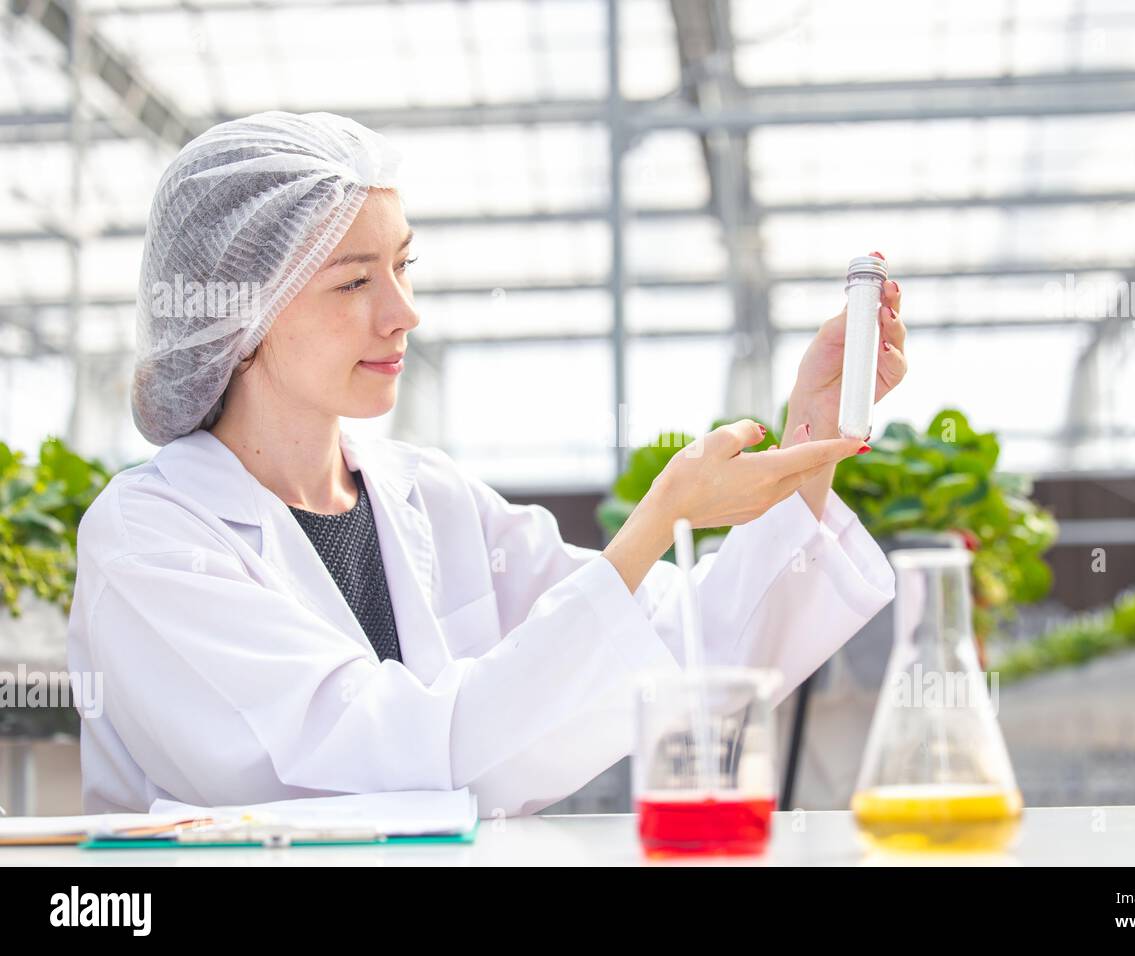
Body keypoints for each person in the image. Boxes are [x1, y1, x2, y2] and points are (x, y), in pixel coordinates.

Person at [67, 111, 909, 816]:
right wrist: (658, 519)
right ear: (239, 313)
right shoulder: (149, 541)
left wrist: (810, 437)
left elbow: (685, 644)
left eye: (402, 267)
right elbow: (384, 767)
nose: (404, 314)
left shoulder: (424, 495)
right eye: (356, 282)